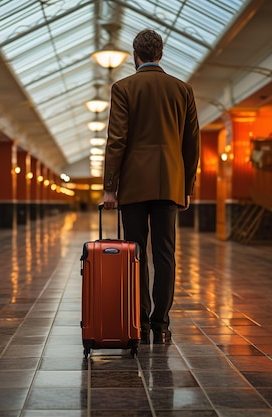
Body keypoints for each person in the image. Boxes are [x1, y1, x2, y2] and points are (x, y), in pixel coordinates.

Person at [102, 29, 200, 344]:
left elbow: (116, 140)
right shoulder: (182, 90)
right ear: (160, 54)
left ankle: (140, 322)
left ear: (135, 55)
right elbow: (191, 144)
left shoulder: (123, 88)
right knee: (165, 254)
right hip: (170, 183)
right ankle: (161, 324)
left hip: (133, 186)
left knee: (136, 254)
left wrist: (109, 187)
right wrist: (187, 185)